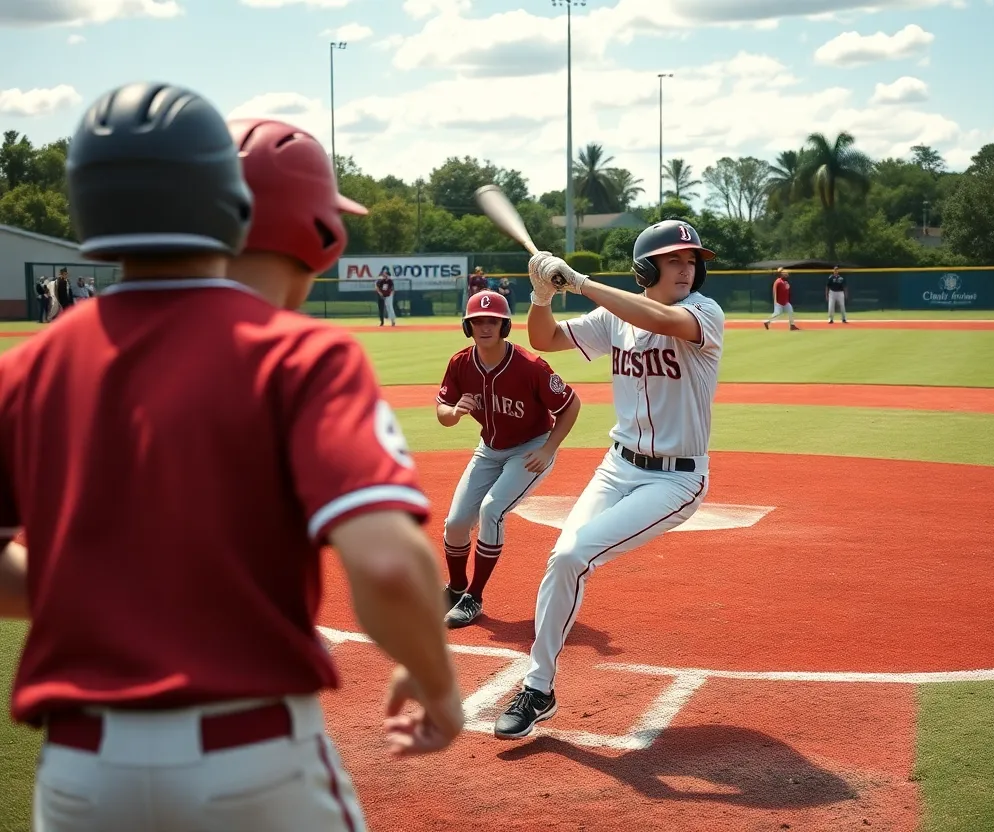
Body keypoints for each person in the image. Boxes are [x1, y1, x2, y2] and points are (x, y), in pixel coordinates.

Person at [0, 85, 463, 831]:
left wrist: (104, 574)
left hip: (80, 775)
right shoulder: (302, 355)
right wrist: (438, 684)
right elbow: (386, 563)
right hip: (252, 763)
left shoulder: (25, 369)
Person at [492, 220, 723, 740]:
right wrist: (542, 294)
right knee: (563, 558)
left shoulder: (703, 313)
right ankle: (541, 688)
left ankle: (535, 682)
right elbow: (545, 339)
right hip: (617, 466)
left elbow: (660, 319)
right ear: (646, 268)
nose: (687, 268)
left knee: (576, 555)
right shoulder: (614, 320)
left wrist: (579, 281)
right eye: (674, 260)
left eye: (692, 261)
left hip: (675, 481)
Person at [435, 289, 581, 628]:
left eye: (493, 321)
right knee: (456, 523)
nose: (485, 327)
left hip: (530, 448)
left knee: (492, 509)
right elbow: (442, 411)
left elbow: (571, 405)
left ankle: (474, 596)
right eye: (477, 321)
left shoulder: (530, 367)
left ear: (505, 326)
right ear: (467, 327)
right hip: (489, 449)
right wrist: (454, 412)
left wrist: (548, 449)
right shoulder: (460, 363)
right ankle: (456, 588)